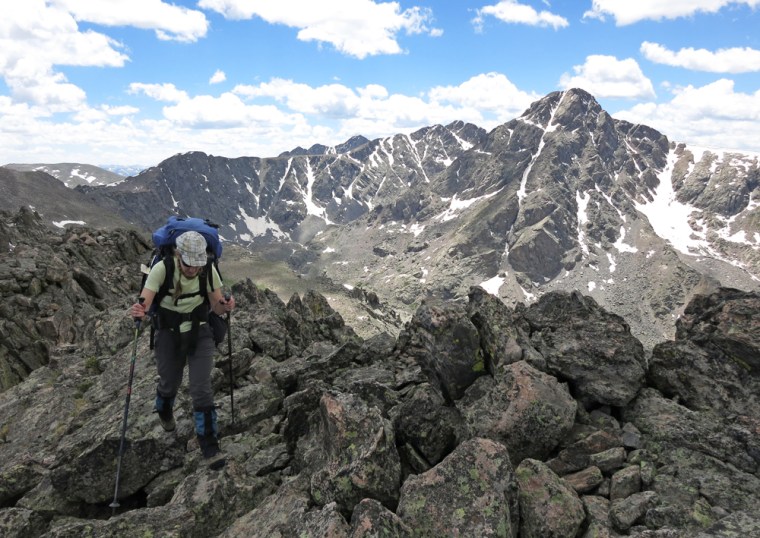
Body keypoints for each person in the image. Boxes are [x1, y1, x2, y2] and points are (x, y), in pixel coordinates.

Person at [129, 230, 235, 469]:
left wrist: (226, 306)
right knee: (169, 382)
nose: (192, 269)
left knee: (201, 387)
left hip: (200, 331)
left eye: (196, 265)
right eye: (188, 264)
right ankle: (164, 409)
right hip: (168, 333)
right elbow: (145, 300)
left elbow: (217, 308)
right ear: (178, 255)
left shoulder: (208, 270)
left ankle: (210, 446)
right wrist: (140, 311)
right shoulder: (162, 269)